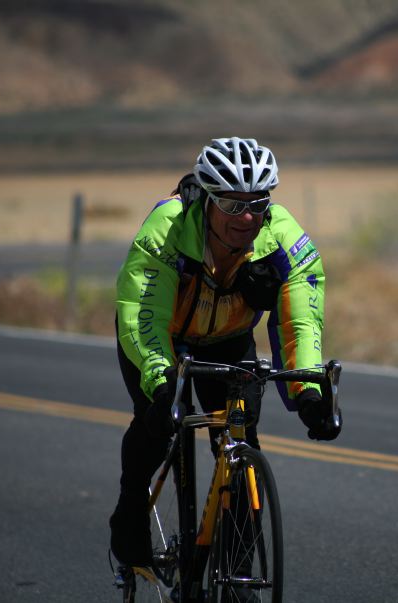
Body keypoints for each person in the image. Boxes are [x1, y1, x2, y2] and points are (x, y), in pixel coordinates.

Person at [110, 136, 342, 567]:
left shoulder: (282, 235)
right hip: (163, 339)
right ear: (208, 200)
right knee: (156, 426)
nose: (248, 216)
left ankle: (236, 576)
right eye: (233, 205)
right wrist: (162, 383)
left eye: (258, 202)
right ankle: (128, 512)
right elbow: (141, 316)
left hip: (229, 341)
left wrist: (309, 390)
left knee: (241, 449)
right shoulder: (168, 227)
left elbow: (302, 320)